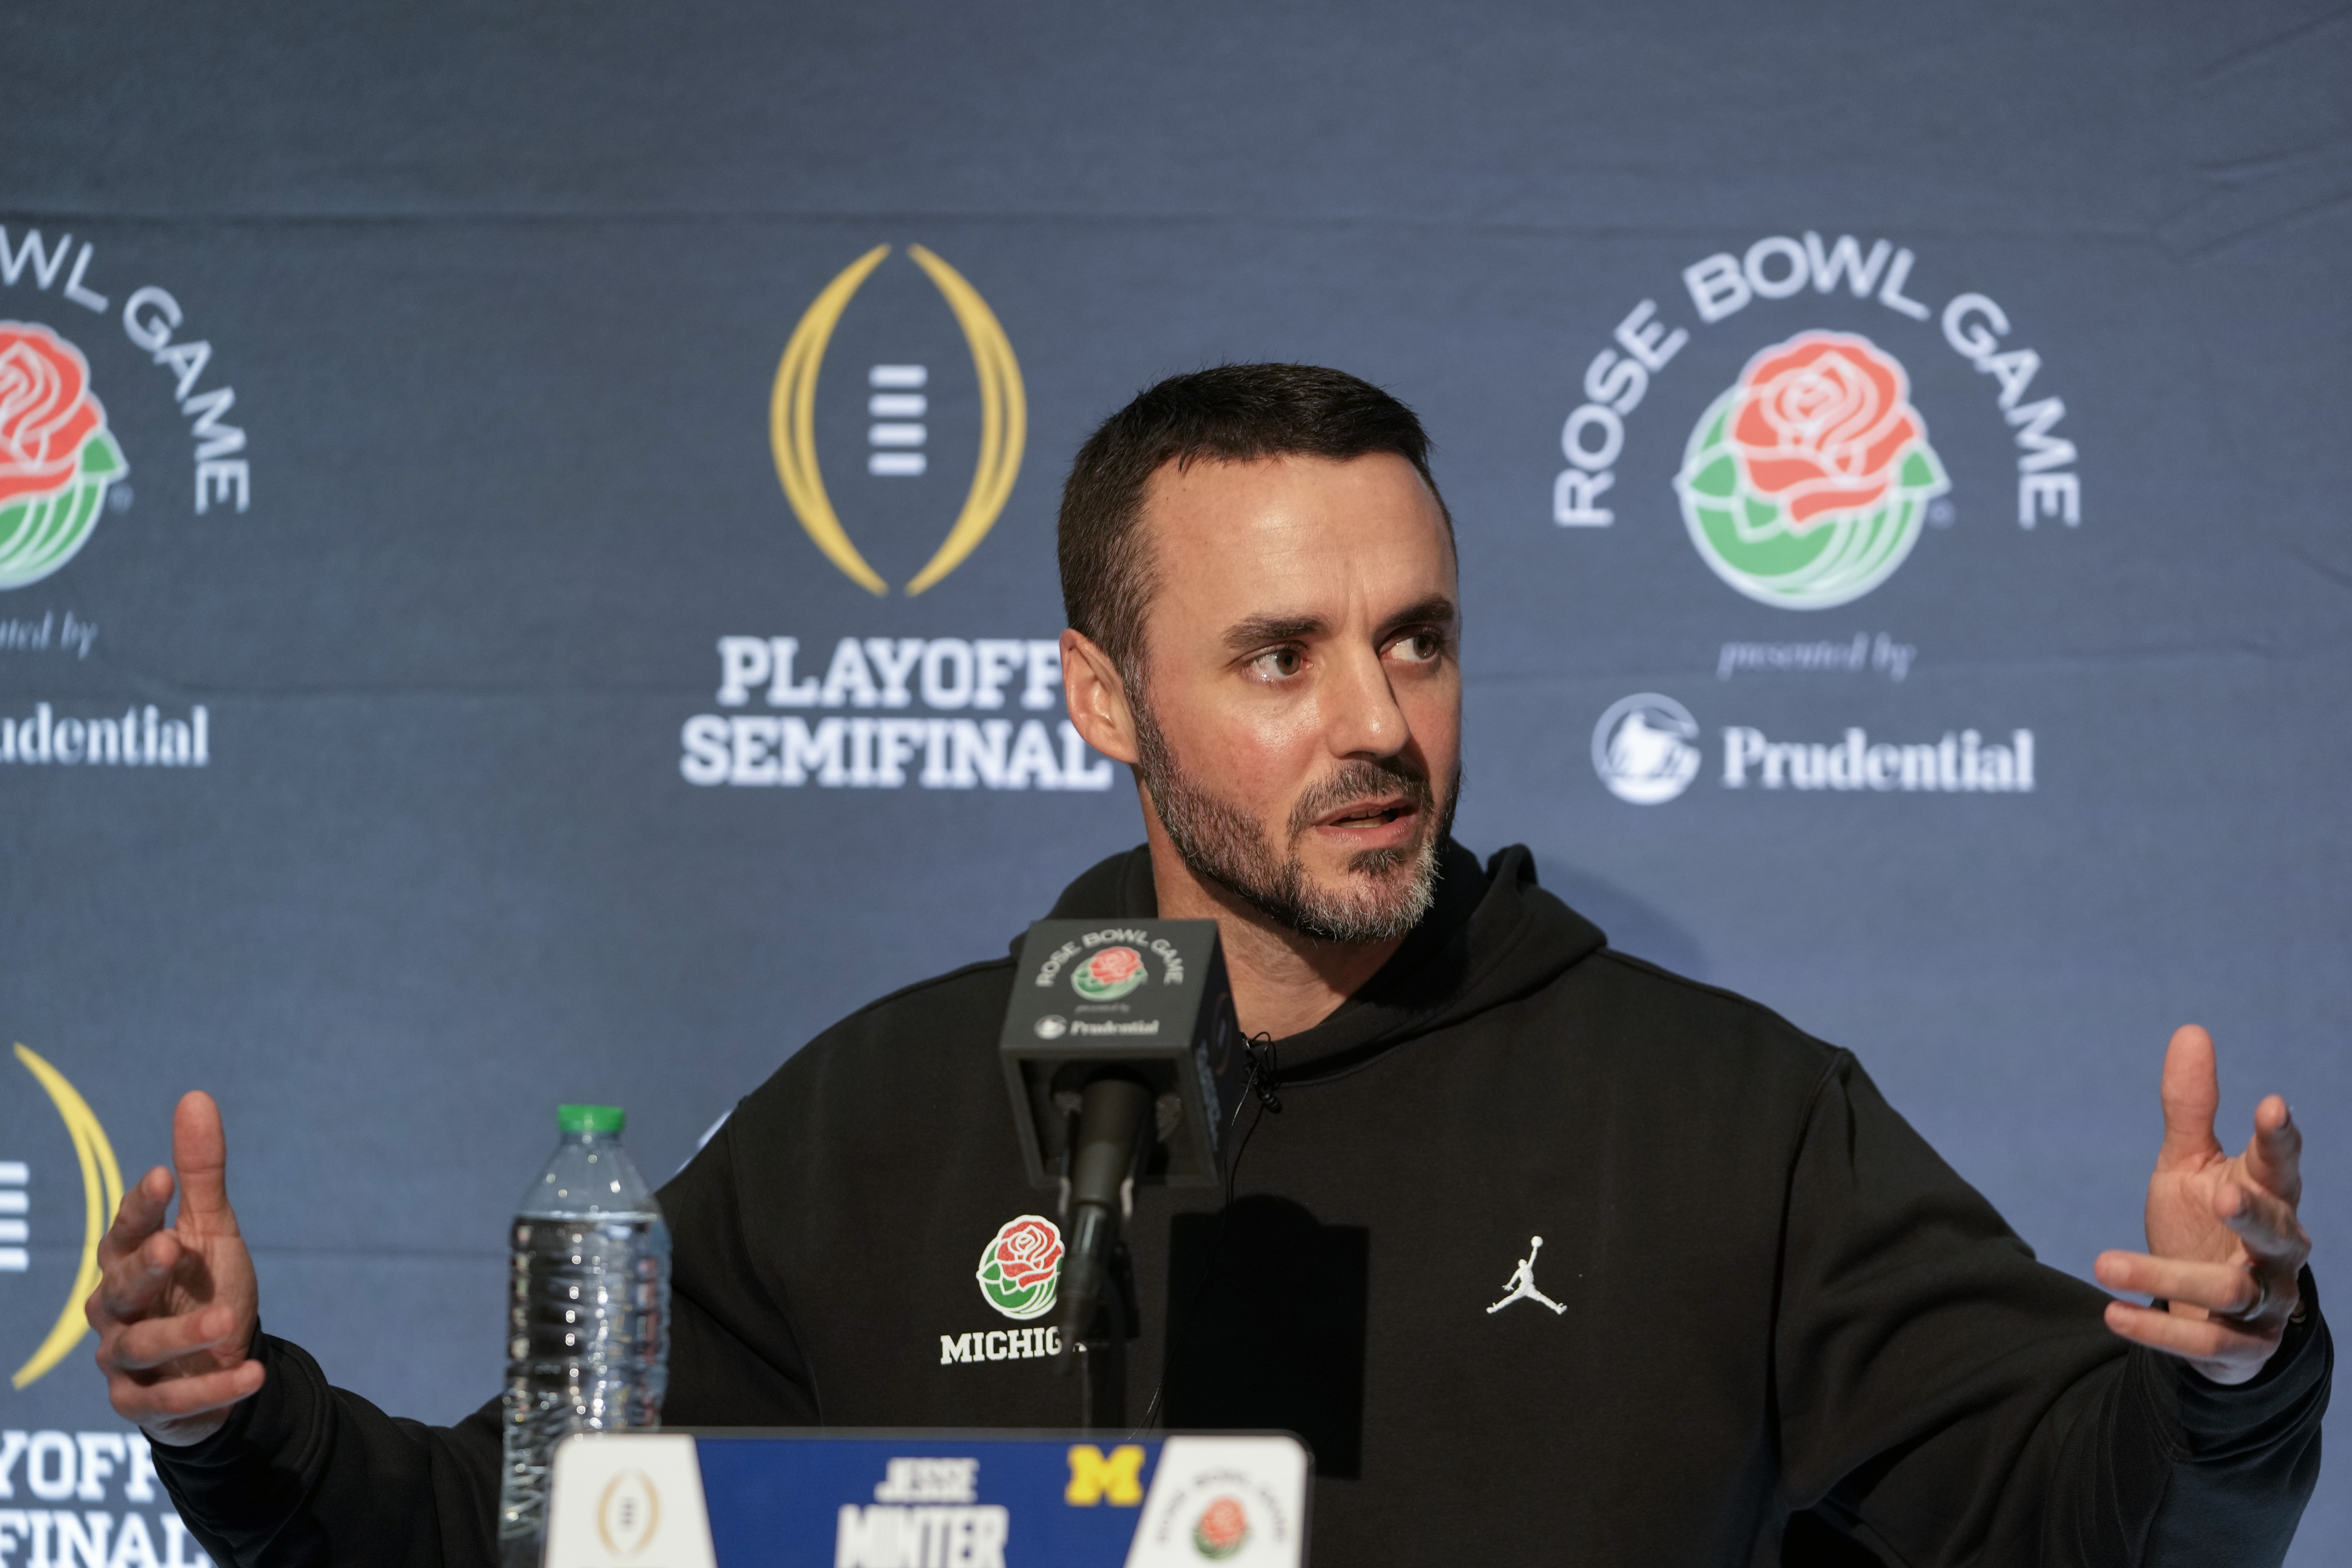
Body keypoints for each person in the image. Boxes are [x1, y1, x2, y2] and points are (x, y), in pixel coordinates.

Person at [91, 365, 2327, 1566]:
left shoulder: (1725, 1114)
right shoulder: (885, 1116)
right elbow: (547, 1541)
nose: (1378, 721)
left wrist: (2230, 1385)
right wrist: (245, 1427)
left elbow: (2082, 1520)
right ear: (1100, 693)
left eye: (1419, 639)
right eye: (1280, 652)